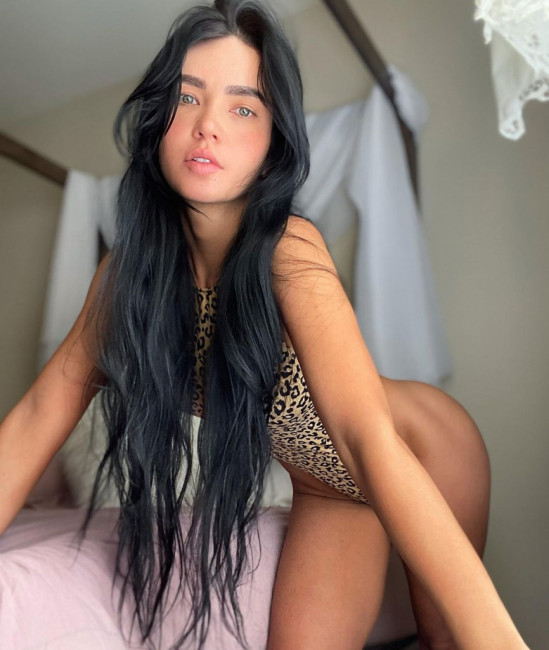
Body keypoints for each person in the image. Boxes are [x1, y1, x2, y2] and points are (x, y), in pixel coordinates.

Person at [0, 1, 530, 649]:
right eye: (187, 98)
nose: (207, 126)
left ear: (273, 141)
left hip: (418, 448)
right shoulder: (125, 276)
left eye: (243, 108)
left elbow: (365, 439)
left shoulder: (288, 249)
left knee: (451, 641)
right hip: (326, 489)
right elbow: (36, 418)